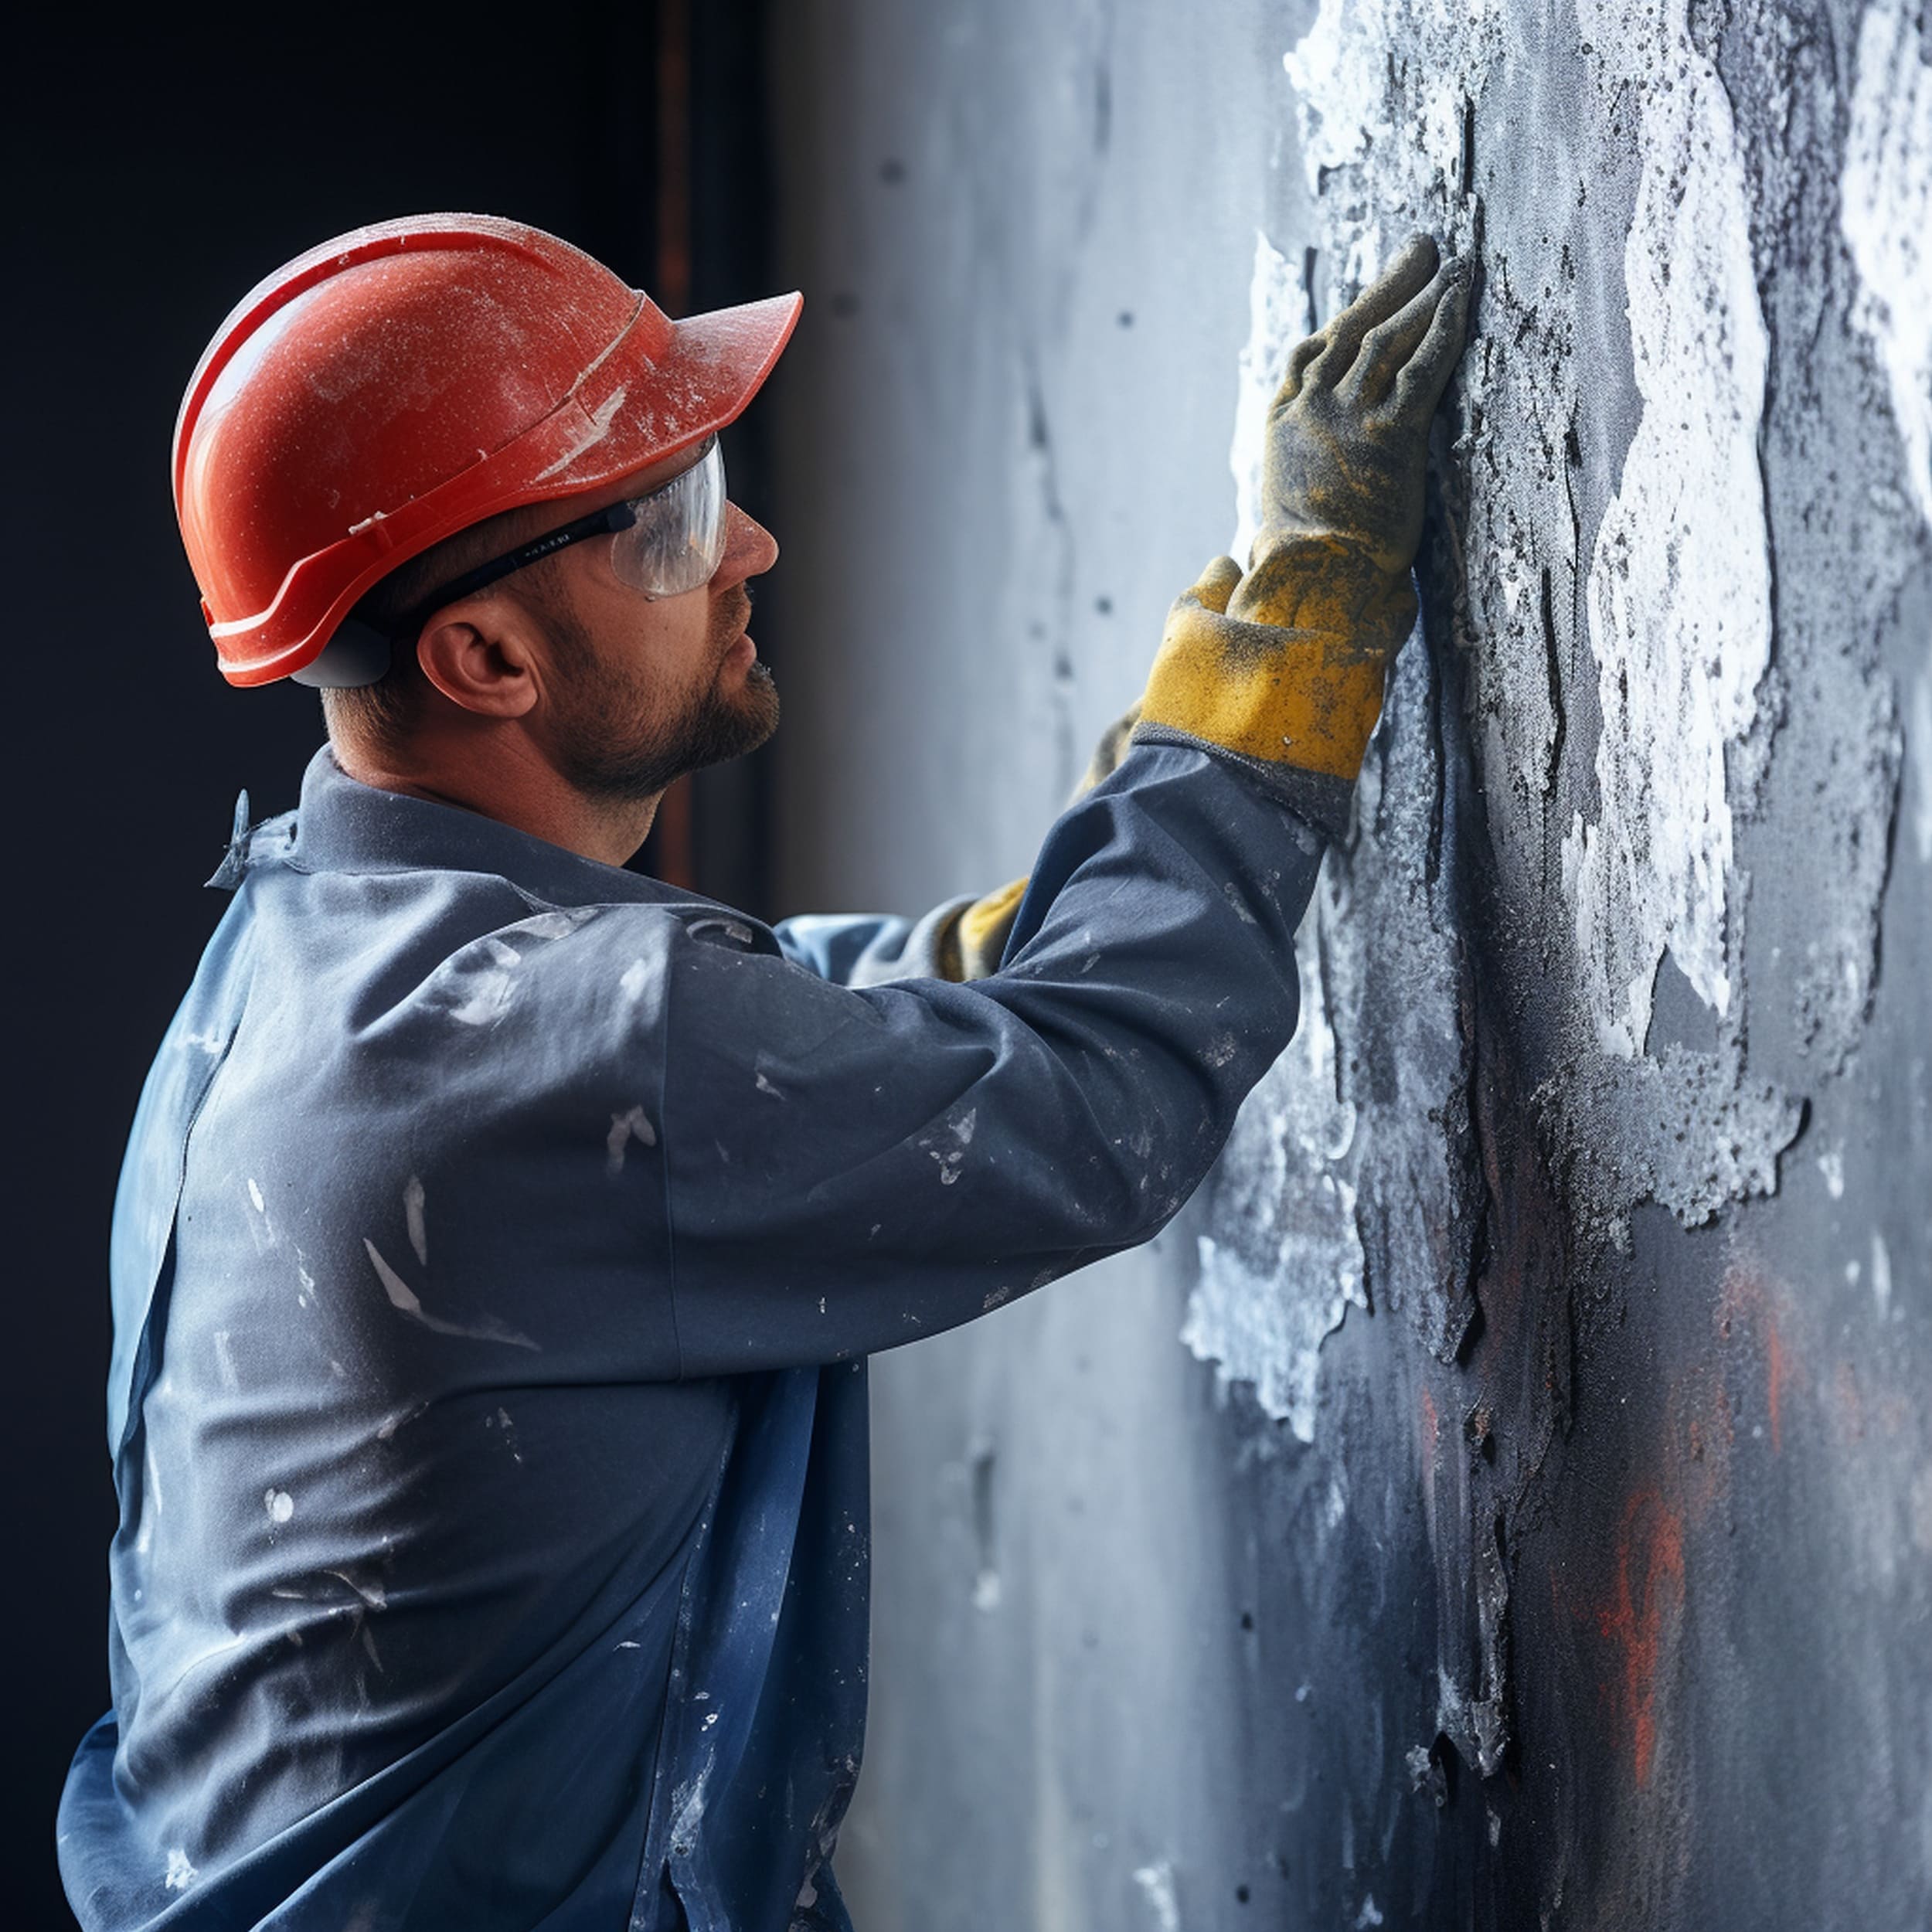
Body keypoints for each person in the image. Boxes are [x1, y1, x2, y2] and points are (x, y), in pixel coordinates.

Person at [58, 213, 1468, 1930]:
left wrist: (1133, 791)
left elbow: (786, 1012)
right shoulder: (558, 1047)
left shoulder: (277, 976)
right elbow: (1098, 1096)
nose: (751, 545)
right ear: (485, 658)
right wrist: (1299, 610)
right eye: (670, 523)